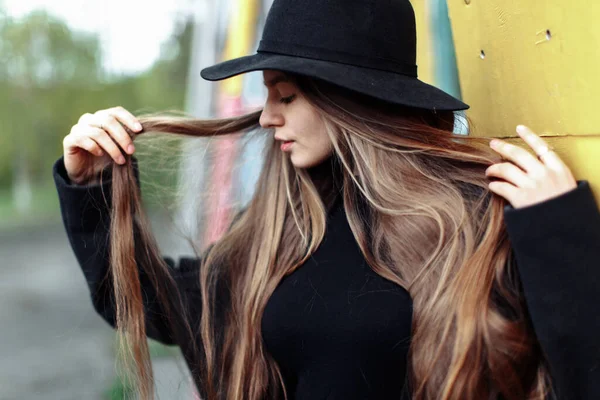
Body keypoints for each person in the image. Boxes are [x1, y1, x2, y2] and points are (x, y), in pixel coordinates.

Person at [53, 0, 600, 399]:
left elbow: (579, 367)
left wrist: (560, 233)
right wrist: (93, 187)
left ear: (351, 101)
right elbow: (146, 299)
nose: (267, 116)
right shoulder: (278, 228)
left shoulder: (472, 217)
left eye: (285, 96)